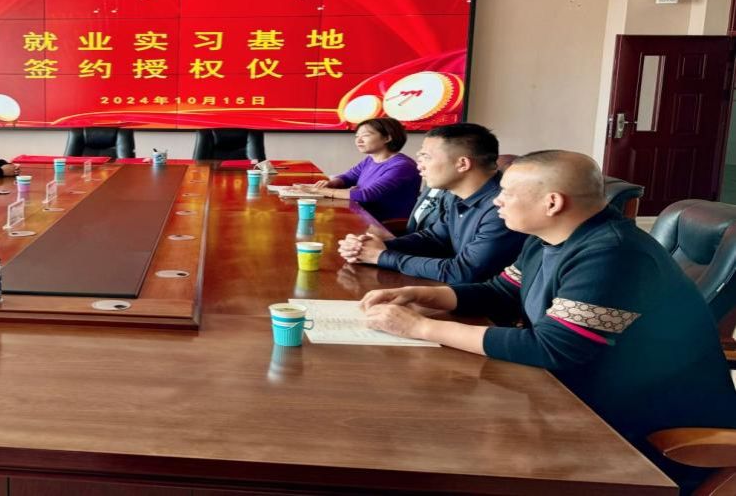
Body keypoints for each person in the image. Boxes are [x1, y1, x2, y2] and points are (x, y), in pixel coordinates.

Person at [360, 150, 736, 490]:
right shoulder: (547, 238)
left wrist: (421, 327)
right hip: (568, 397)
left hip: (640, 429)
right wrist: (420, 295)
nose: (496, 200)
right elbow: (501, 292)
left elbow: (553, 348)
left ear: (552, 202)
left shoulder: (614, 254)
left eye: (506, 192)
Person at [338, 123, 526, 284]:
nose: (419, 166)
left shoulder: (502, 207)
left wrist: (381, 256)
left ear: (462, 164)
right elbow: (435, 238)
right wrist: (379, 246)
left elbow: (464, 272)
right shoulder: (455, 195)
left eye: (426, 157)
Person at [301, 117, 421, 221]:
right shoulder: (370, 159)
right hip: (363, 216)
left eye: (365, 135)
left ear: (387, 138)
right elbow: (348, 177)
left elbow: (366, 195)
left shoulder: (402, 166)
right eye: (357, 136)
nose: (358, 140)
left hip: (384, 225)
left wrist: (318, 191)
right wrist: (331, 183)